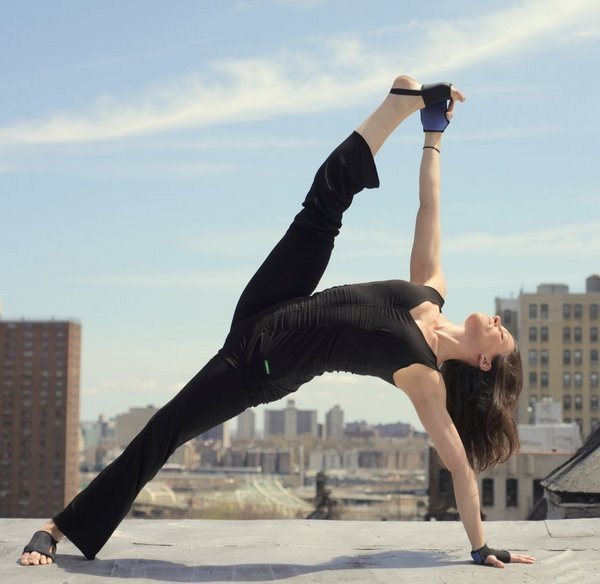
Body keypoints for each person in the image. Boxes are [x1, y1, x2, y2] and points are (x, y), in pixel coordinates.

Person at [20, 75, 535, 569]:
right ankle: (395, 106)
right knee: (322, 208)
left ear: (484, 359)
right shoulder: (431, 290)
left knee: (166, 427)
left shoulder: (425, 378)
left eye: (502, 330)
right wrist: (432, 132)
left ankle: (59, 528)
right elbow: (430, 206)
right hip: (273, 305)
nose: (496, 318)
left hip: (257, 366)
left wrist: (481, 546)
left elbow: (461, 470)